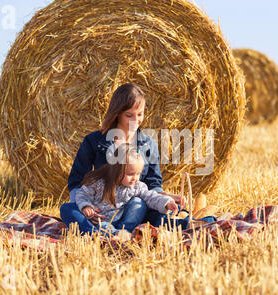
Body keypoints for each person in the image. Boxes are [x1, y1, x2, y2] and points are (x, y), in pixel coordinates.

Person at [61, 83, 188, 233]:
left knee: (145, 206)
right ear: (117, 113)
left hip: (134, 209)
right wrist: (85, 207)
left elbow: (152, 185)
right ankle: (105, 233)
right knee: (68, 209)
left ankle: (115, 232)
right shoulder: (94, 141)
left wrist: (167, 197)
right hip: (100, 209)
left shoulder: (149, 145)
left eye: (140, 114)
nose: (136, 120)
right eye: (129, 115)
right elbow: (77, 181)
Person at [60, 146, 179, 236]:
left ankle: (123, 232)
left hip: (124, 221)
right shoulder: (98, 182)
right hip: (101, 221)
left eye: (138, 174)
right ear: (116, 169)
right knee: (66, 208)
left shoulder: (137, 186)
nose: (135, 178)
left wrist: (167, 202)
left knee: (139, 202)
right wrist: (86, 207)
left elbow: (151, 196)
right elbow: (82, 194)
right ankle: (100, 233)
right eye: (131, 174)